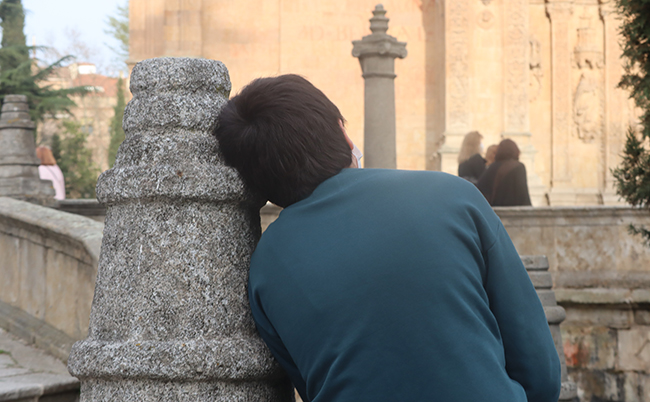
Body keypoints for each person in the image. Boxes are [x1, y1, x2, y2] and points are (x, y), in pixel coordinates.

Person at [214, 74, 560, 402]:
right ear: (343, 134)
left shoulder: (265, 266)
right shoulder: (453, 196)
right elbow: (541, 373)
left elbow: (311, 385)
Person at [477, 139, 532, 207]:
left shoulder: (491, 167)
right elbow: (523, 194)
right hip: (511, 210)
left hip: (492, 209)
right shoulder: (518, 167)